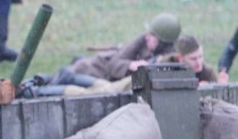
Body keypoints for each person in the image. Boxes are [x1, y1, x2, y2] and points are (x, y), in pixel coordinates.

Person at [40, 13, 182, 88]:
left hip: (106, 82)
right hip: (97, 68)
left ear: (163, 42)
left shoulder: (169, 56)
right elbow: (113, 65)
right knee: (57, 80)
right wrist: (131, 65)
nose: (148, 38)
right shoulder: (141, 40)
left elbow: (194, 64)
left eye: (153, 36)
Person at [165, 35, 229, 86]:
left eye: (200, 57)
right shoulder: (165, 70)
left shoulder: (207, 72)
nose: (199, 63)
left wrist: (220, 86)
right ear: (180, 58)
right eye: (193, 59)